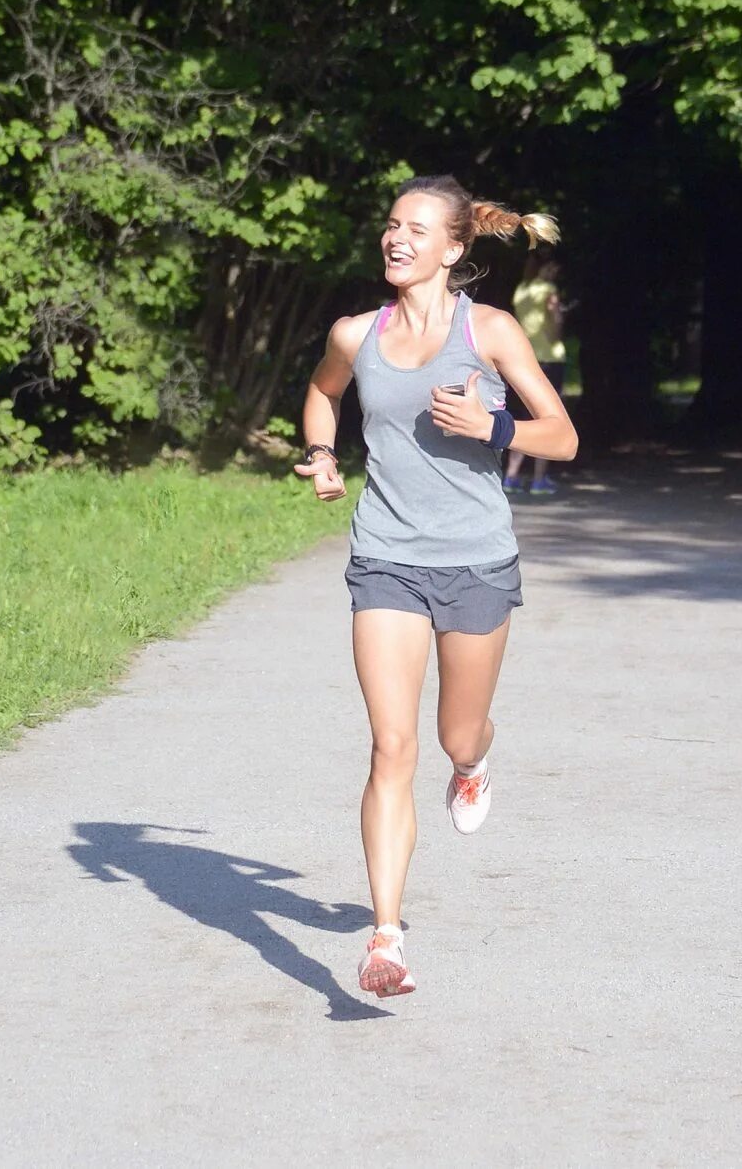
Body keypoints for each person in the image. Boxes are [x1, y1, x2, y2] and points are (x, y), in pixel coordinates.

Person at [293, 174, 579, 998]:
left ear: (454, 248)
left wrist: (493, 426)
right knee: (391, 744)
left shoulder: (487, 332)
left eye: (417, 229)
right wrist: (320, 454)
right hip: (384, 555)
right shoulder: (356, 332)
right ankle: (387, 936)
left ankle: (475, 763)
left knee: (456, 736)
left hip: (476, 560)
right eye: (390, 225)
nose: (397, 238)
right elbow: (322, 393)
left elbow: (560, 435)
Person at [502, 254, 569, 495]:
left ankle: (511, 477)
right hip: (549, 358)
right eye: (553, 266)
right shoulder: (549, 289)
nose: (556, 271)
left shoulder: (522, 289)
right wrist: (559, 324)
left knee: (521, 417)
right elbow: (554, 324)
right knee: (548, 418)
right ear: (545, 267)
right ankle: (539, 479)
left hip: (524, 357)